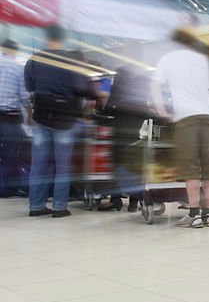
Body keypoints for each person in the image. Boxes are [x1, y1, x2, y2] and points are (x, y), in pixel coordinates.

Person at [151, 30, 209, 228]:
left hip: (186, 117)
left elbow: (155, 85)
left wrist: (162, 110)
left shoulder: (167, 58)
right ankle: (208, 213)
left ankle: (194, 213)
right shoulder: (204, 60)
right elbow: (208, 89)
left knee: (190, 166)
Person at [24, 25, 95, 218]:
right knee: (63, 164)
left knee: (39, 163)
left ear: (45, 38)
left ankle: (36, 206)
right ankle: (59, 207)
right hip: (65, 119)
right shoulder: (70, 60)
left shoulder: (34, 60)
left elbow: (29, 87)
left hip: (41, 116)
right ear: (63, 39)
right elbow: (84, 89)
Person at [105, 52, 151, 213]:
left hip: (121, 121)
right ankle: (134, 202)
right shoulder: (145, 75)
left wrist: (106, 110)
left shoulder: (122, 72)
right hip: (137, 123)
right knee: (135, 163)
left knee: (117, 162)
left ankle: (116, 199)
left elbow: (112, 99)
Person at [0, 39, 29, 197]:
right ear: (15, 51)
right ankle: (8, 189)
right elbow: (24, 97)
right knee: (11, 154)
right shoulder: (18, 68)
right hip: (9, 117)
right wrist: (30, 115)